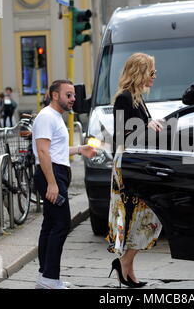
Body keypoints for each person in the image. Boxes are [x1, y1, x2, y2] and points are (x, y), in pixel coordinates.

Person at [107, 53, 165, 288]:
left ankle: (127, 266)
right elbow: (121, 134)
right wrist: (145, 125)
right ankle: (125, 264)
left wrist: (153, 125)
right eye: (152, 72)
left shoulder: (138, 98)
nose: (154, 76)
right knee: (140, 216)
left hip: (138, 162)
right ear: (140, 72)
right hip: (127, 166)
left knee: (144, 216)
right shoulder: (124, 98)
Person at [33, 79, 97, 289]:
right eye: (68, 95)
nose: (73, 99)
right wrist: (52, 183)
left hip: (56, 173)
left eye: (73, 95)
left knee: (50, 225)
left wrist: (79, 149)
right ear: (54, 95)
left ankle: (46, 277)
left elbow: (55, 150)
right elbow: (43, 152)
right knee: (61, 225)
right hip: (51, 175)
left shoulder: (55, 117)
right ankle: (50, 278)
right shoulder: (46, 117)